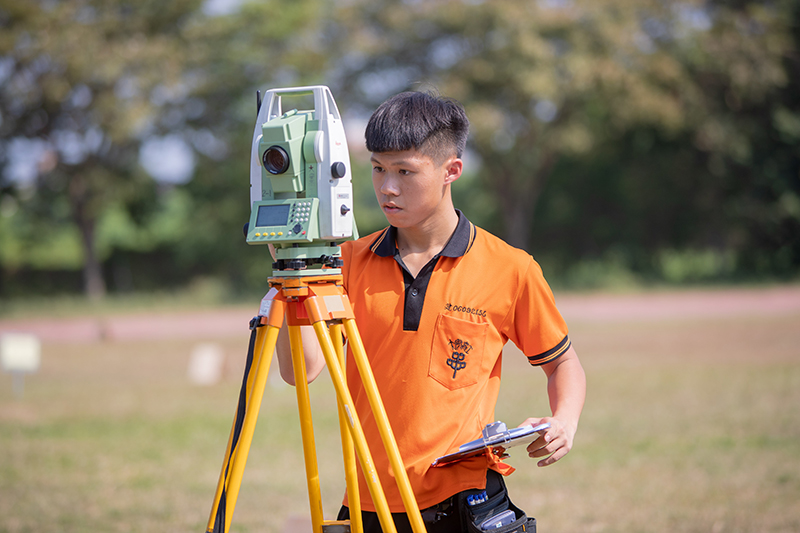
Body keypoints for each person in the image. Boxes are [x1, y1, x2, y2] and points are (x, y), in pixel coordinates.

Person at [275, 91, 586, 533]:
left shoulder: (510, 268)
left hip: (464, 498)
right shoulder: (344, 262)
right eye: (378, 169)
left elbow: (563, 364)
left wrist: (564, 421)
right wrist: (296, 274)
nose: (387, 187)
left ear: (450, 171)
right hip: (370, 500)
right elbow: (300, 371)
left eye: (405, 171)